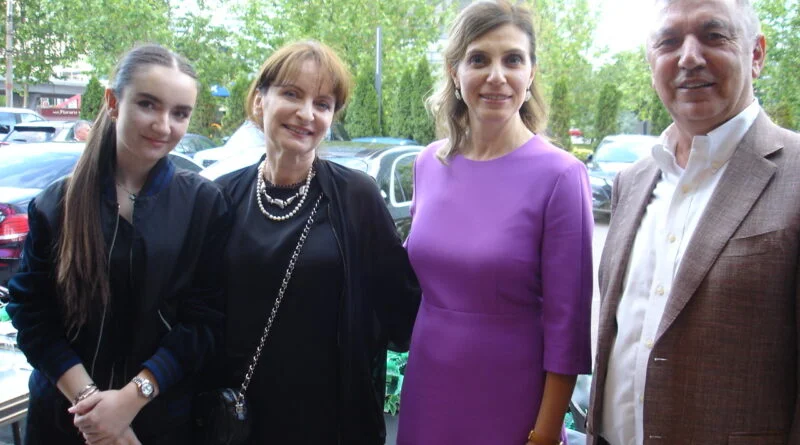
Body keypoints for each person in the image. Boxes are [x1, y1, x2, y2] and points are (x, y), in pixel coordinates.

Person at [587, 0, 800, 443]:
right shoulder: (632, 181)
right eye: (669, 42)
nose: (688, 57)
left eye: (713, 35)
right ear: (652, 63)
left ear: (756, 54)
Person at [7, 44, 231, 445]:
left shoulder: (203, 204)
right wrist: (94, 408)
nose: (163, 125)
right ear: (113, 102)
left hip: (159, 422)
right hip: (64, 421)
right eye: (148, 104)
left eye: (180, 113)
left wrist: (129, 401)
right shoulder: (56, 203)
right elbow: (32, 314)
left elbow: (204, 321)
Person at [396, 1, 594, 444]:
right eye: (479, 59)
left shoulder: (560, 175)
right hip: (427, 389)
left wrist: (545, 434)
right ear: (455, 72)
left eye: (513, 60)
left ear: (531, 73)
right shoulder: (428, 163)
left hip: (511, 399)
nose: (497, 76)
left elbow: (568, 330)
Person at [212, 40, 420, 444]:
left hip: (332, 417)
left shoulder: (356, 197)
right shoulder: (221, 197)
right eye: (292, 94)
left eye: (322, 104)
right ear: (259, 101)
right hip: (240, 415)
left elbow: (402, 308)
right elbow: (197, 311)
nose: (306, 114)